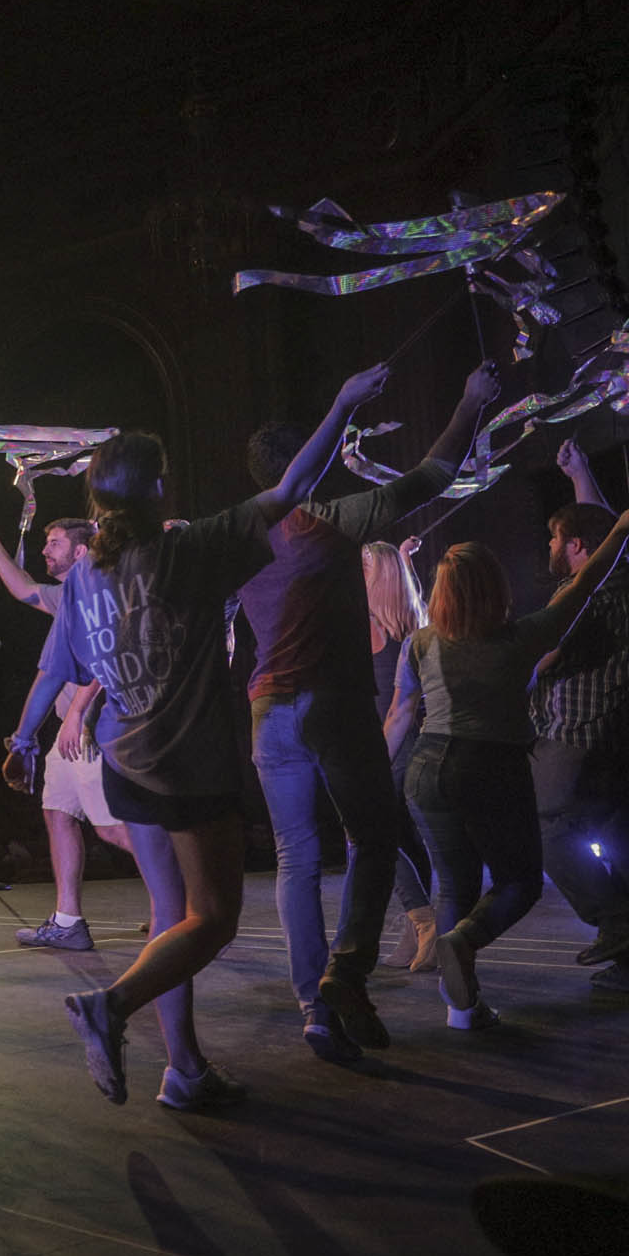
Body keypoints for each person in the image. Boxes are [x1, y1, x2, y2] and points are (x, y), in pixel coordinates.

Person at [18, 363, 391, 1109]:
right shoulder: (188, 551)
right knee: (212, 919)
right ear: (157, 487)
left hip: (127, 761)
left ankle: (184, 1071)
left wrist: (26, 736)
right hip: (187, 766)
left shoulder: (86, 578)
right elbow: (289, 490)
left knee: (170, 916)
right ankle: (110, 1006)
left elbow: (59, 662)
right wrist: (343, 403)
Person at [234, 363, 498, 1059]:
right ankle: (344, 972)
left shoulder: (238, 539)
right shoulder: (333, 520)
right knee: (374, 838)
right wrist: (470, 400)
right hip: (333, 702)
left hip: (266, 711)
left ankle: (314, 1010)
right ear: (311, 464)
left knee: (295, 858)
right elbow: (433, 474)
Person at [385, 506, 629, 1026]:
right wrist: (619, 530)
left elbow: (399, 715)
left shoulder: (419, 643)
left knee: (453, 886)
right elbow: (587, 582)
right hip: (488, 766)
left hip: (425, 769)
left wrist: (373, 778)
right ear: (495, 588)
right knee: (519, 883)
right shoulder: (523, 637)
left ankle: (461, 1010)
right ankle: (463, 941)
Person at [0, 515, 135, 949]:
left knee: (113, 830)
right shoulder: (66, 596)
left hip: (93, 728)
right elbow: (23, 588)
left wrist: (74, 714)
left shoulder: (101, 593)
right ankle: (67, 921)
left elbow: (107, 656)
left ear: (81, 551)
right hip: (67, 730)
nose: (46, 550)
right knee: (58, 811)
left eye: (55, 543)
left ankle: (184, 900)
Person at [536, 444, 629, 992]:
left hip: (582, 734)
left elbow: (544, 655)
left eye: (556, 538)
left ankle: (621, 924)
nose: (551, 546)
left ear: (577, 547)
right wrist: (582, 473)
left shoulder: (582, 595)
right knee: (626, 830)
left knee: (543, 825)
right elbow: (612, 541)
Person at [361, 537, 440, 972]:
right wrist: (405, 561)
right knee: (402, 837)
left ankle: (423, 920)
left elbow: (395, 707)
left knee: (368, 832)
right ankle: (417, 930)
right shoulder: (413, 623)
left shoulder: (374, 627)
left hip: (391, 741)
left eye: (364, 567)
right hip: (408, 740)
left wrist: (375, 758)